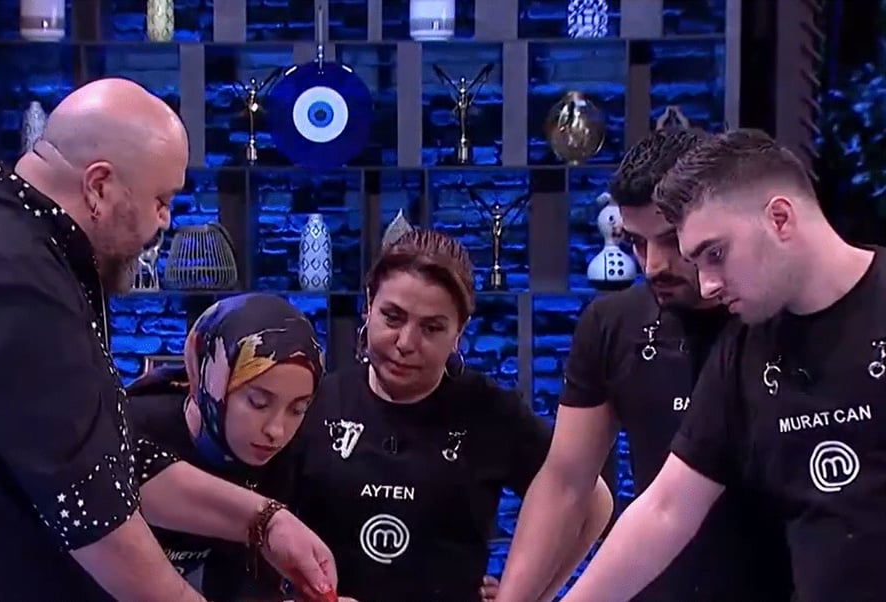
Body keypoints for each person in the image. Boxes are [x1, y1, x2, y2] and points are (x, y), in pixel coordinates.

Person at [0, 79, 337, 602]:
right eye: (161, 200)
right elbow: (92, 510)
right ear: (99, 186)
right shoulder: (5, 273)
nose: (164, 222)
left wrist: (265, 522)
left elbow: (107, 455)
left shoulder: (12, 241)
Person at [562, 129, 886, 602]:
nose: (708, 284)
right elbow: (666, 509)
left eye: (715, 254)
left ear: (780, 218)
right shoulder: (744, 348)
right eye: (697, 262)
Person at [498, 129, 793, 601]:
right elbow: (566, 483)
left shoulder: (779, 319)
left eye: (672, 241)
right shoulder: (612, 325)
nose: (654, 265)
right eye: (636, 243)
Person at [289, 228, 614, 602]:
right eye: (392, 317)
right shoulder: (315, 403)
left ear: (459, 331)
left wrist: (528, 594)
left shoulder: (490, 412)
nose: (406, 343)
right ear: (368, 306)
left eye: (431, 328)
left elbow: (592, 501)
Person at [125, 292, 331, 600]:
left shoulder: (287, 456)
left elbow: (246, 583)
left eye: (298, 409)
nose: (276, 431)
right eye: (258, 403)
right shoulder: (131, 428)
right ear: (211, 381)